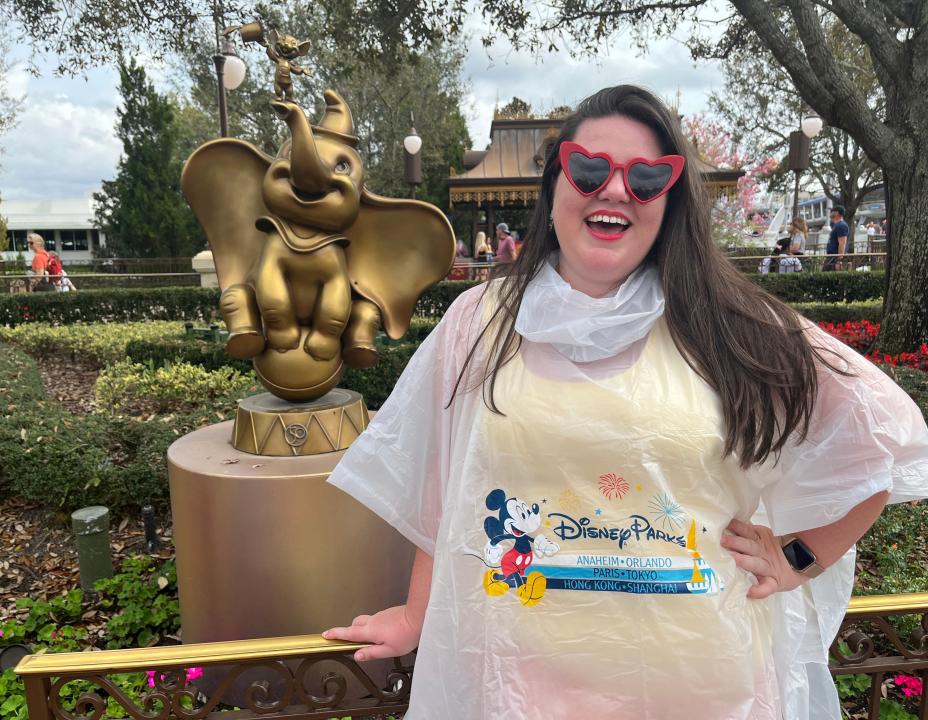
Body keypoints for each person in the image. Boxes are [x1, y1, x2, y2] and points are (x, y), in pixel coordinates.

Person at [323, 86, 928, 719]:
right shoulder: (479, 323)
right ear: (556, 181)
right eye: (590, 168)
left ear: (670, 201)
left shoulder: (731, 323)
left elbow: (883, 431)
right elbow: (443, 487)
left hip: (700, 686)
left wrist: (799, 556)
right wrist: (419, 613)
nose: (615, 190)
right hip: (515, 685)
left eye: (646, 178)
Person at [824, 205, 850, 271]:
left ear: (837, 213)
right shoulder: (837, 225)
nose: (830, 213)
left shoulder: (841, 225)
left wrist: (839, 260)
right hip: (832, 256)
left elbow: (842, 243)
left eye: (832, 211)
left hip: (835, 257)